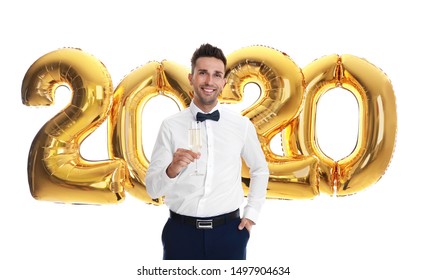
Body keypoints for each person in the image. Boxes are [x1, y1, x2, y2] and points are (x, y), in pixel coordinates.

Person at [145, 43, 269, 260]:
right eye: (203, 73)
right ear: (191, 78)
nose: (209, 81)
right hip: (180, 233)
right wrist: (172, 169)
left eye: (216, 75)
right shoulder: (170, 126)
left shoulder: (241, 125)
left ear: (223, 82)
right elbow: (153, 190)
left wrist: (251, 215)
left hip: (230, 233)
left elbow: (260, 169)